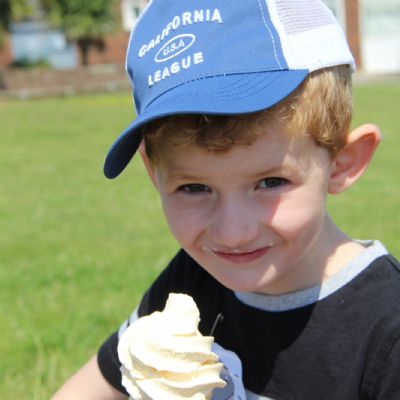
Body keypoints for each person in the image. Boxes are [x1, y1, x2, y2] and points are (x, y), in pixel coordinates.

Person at [52, 1, 400, 399]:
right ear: (154, 173)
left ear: (342, 163)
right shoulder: (191, 284)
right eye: (194, 188)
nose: (233, 233)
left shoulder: (386, 330)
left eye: (271, 182)